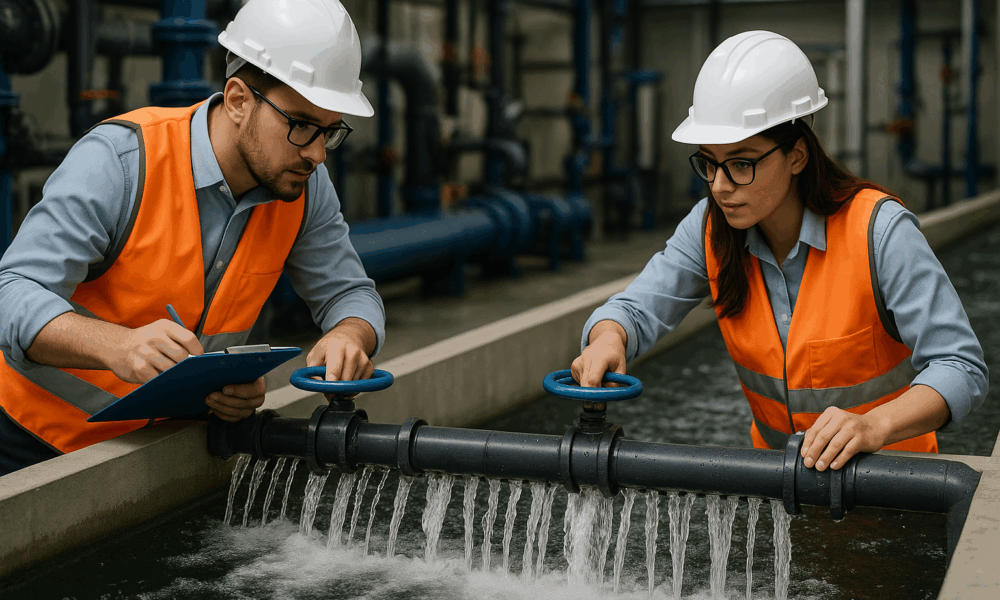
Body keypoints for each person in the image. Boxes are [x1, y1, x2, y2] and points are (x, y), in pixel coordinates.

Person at [572, 30, 988, 471]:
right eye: (709, 163)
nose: (719, 185)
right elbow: (636, 309)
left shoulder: (879, 231)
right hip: (779, 491)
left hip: (894, 485)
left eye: (741, 163)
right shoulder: (710, 229)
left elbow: (960, 365)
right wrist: (608, 338)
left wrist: (874, 426)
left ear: (797, 156)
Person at [0, 0, 384, 475]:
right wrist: (117, 346)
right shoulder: (121, 161)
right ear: (239, 99)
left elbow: (351, 293)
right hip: (31, 444)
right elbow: (13, 294)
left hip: (163, 451)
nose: (318, 154)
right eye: (302, 126)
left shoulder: (303, 184)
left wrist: (350, 334)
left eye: (330, 131)